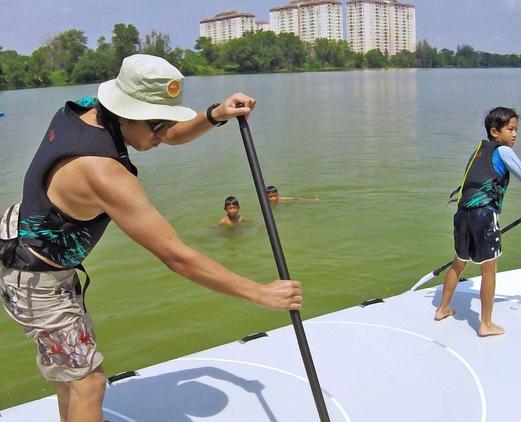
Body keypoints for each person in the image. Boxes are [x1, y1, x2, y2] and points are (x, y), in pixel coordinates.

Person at [0, 54, 302, 422]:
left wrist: (215, 114)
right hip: (35, 277)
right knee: (88, 383)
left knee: (72, 375)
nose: (163, 135)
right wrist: (260, 292)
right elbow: (176, 257)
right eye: (157, 125)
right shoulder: (103, 174)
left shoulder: (88, 111)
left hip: (27, 240)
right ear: (126, 114)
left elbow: (165, 133)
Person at [434, 107, 521, 337]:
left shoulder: (478, 151)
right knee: (489, 270)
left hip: (462, 214)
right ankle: (485, 324)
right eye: (510, 129)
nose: (514, 135)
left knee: (459, 262)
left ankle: (443, 308)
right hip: (484, 216)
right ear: (495, 132)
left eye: (516, 130)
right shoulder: (504, 151)